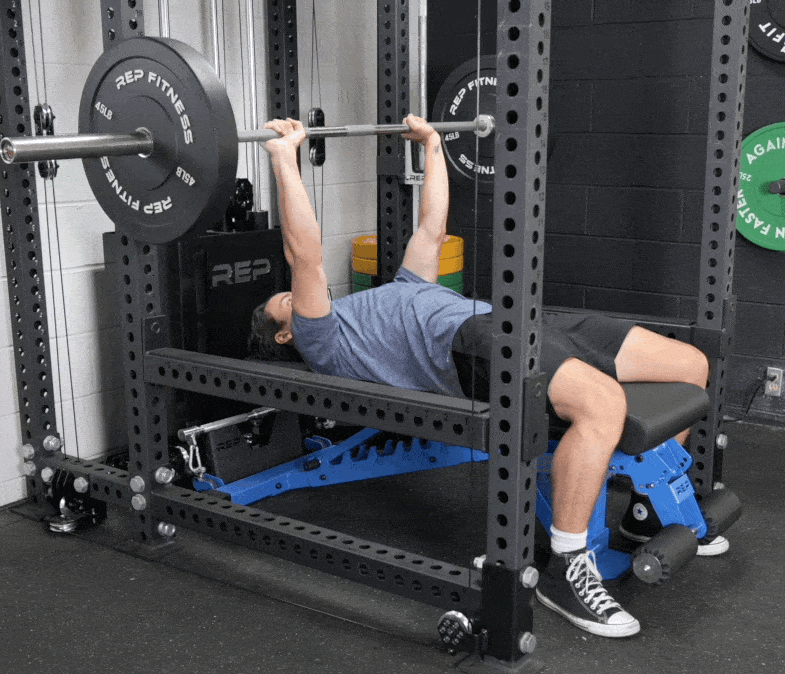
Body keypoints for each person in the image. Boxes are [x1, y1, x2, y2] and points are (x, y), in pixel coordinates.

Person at [248, 114, 723, 639]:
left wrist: (432, 145)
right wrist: (283, 159)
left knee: (688, 366)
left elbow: (432, 227)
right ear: (287, 335)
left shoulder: (394, 291)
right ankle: (567, 568)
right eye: (289, 303)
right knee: (603, 403)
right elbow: (305, 258)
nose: (305, 297)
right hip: (468, 347)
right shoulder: (324, 341)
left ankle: (639, 510)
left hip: (514, 324)